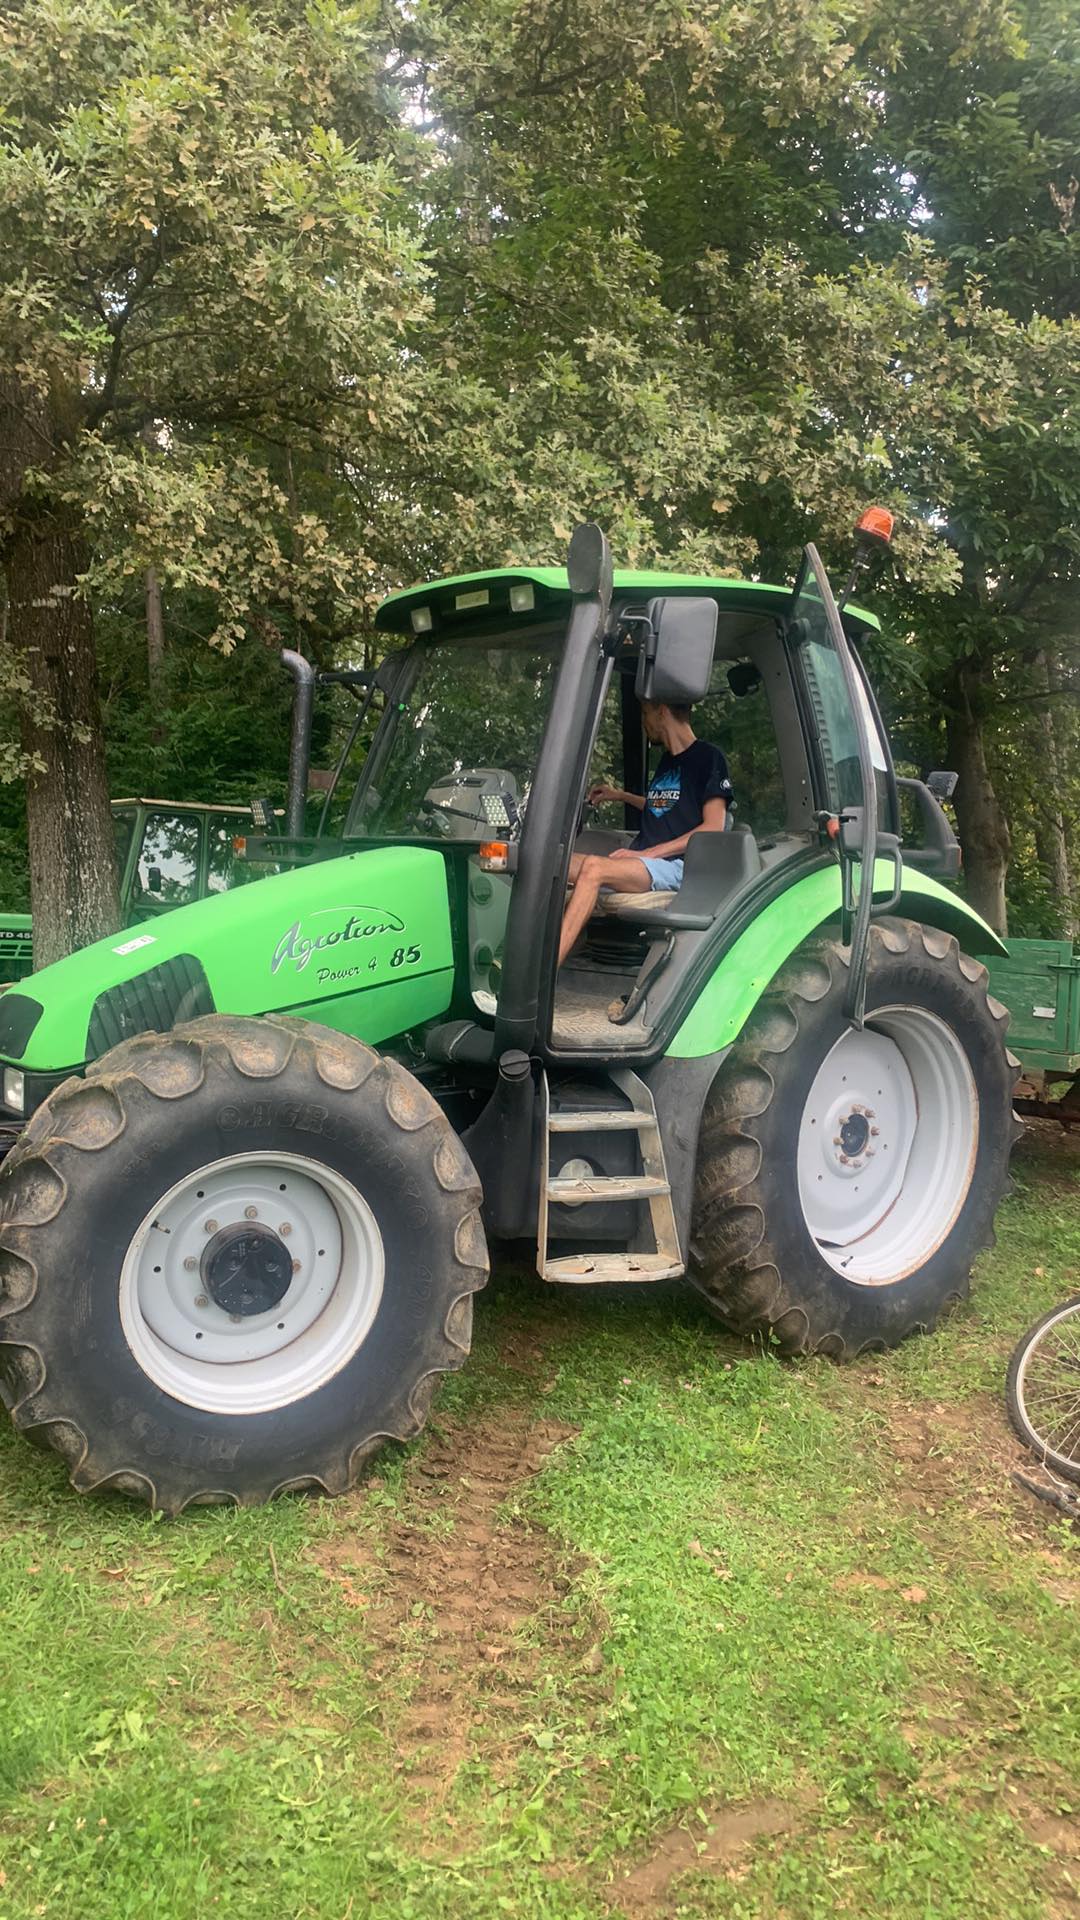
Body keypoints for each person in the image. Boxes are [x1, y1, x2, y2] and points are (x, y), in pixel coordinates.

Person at [558, 697, 733, 964]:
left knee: (594, 868)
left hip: (676, 866)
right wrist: (620, 795)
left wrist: (650, 853)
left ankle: (540, 979)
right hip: (646, 861)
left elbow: (713, 827)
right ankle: (548, 957)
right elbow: (663, 805)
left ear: (662, 712)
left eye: (645, 713)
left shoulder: (709, 758)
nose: (643, 721)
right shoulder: (667, 761)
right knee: (556, 862)